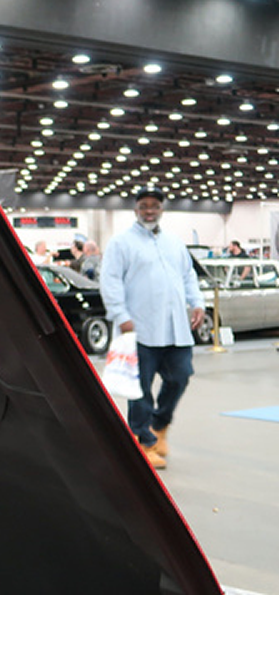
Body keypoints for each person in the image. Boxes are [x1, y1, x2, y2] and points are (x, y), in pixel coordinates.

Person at [100, 188, 205, 470]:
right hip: (139, 329)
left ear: (161, 209)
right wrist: (121, 315)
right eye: (144, 206)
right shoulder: (121, 243)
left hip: (175, 329)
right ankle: (143, 442)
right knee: (140, 389)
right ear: (136, 209)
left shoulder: (174, 243)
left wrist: (197, 303)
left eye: (154, 206)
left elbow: (188, 276)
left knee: (180, 377)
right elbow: (110, 281)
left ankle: (159, 427)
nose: (149, 211)